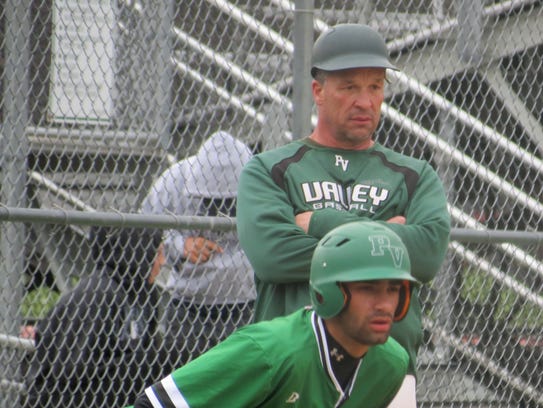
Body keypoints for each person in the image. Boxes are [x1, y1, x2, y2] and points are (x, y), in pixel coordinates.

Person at [236, 23, 451, 407]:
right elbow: (273, 257)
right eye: (349, 86)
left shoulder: (415, 174)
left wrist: (317, 223)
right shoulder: (270, 169)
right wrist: (386, 238)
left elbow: (427, 253)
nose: (365, 101)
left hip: (387, 374)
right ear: (318, 91)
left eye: (376, 86)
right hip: (294, 372)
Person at [129, 221, 419, 408]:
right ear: (330, 290)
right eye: (369, 288)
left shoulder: (391, 364)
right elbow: (154, 404)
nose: (384, 303)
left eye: (393, 289)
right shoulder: (271, 351)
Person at [140, 130, 256, 365]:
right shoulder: (173, 181)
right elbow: (142, 236)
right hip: (188, 308)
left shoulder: (263, 183)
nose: (221, 210)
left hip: (246, 307)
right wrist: (181, 246)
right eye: (212, 203)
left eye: (229, 202)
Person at [23, 226, 167, 408]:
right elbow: (69, 371)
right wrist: (137, 362)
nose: (162, 261)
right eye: (157, 253)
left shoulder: (146, 295)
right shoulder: (99, 294)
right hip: (63, 398)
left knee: (158, 354)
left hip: (110, 392)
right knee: (154, 357)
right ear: (138, 254)